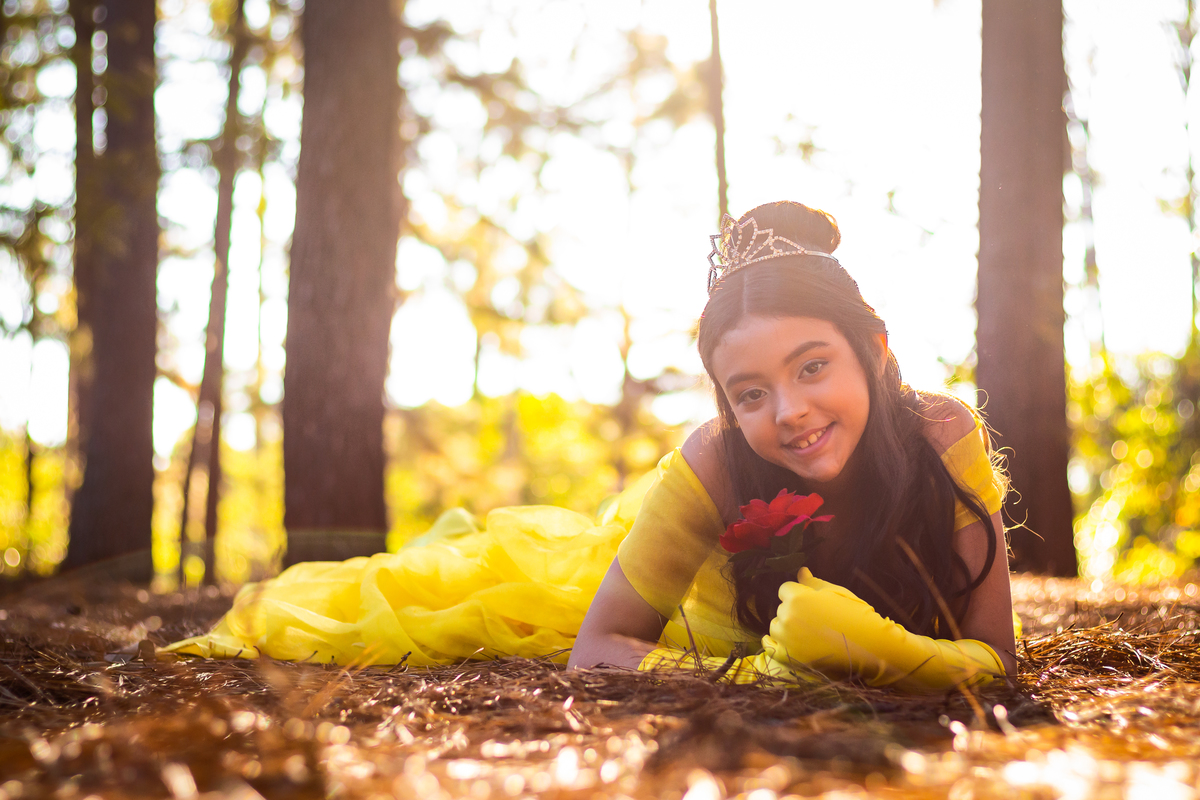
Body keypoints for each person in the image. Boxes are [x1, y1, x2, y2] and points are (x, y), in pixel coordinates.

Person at [165, 201, 1014, 693]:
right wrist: (766, 678)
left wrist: (890, 656)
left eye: (813, 366)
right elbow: (599, 646)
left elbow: (995, 657)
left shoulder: (942, 435)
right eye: (750, 393)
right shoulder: (716, 461)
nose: (789, 412)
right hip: (610, 593)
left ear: (876, 349)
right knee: (409, 604)